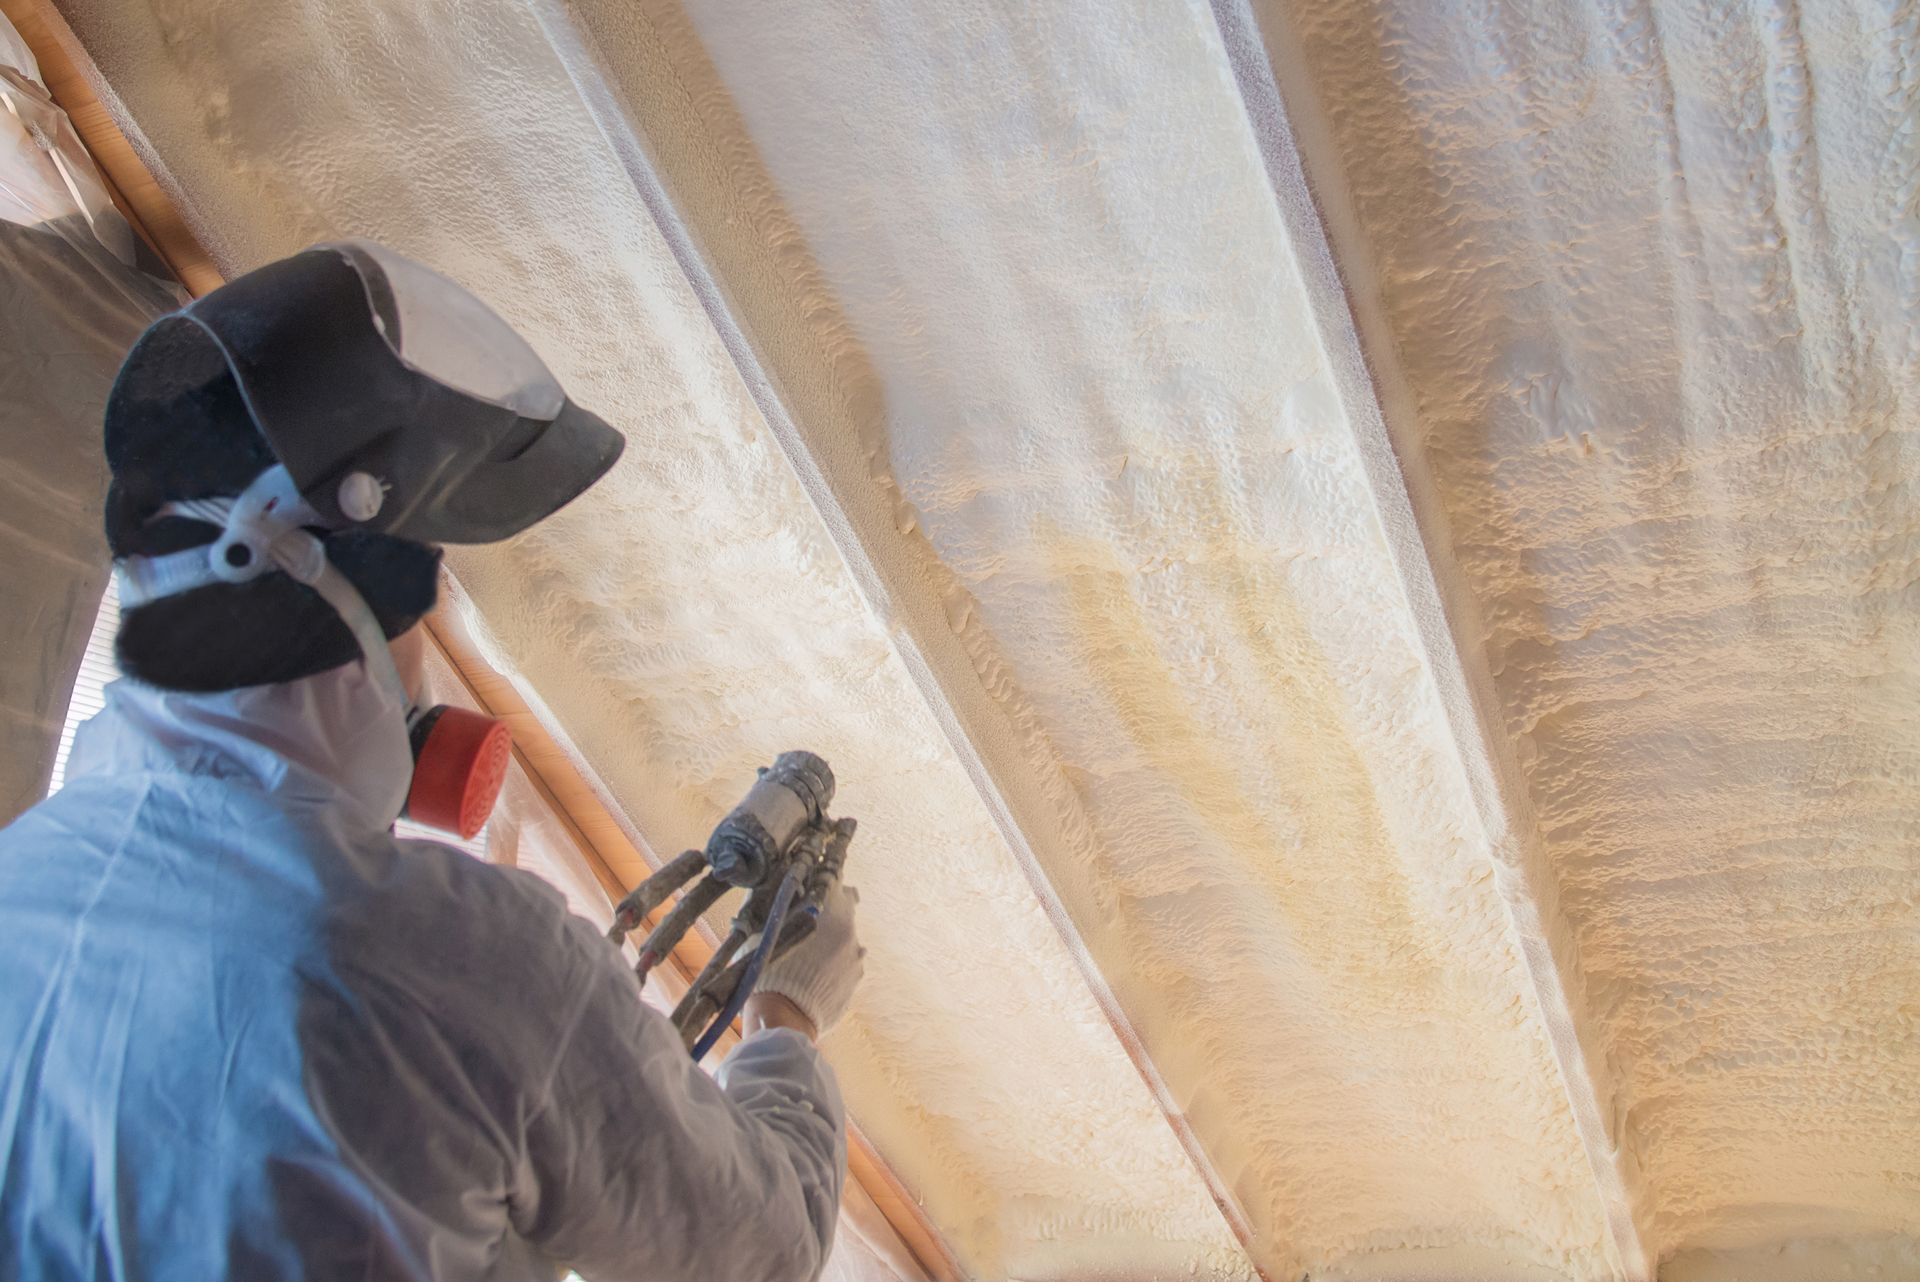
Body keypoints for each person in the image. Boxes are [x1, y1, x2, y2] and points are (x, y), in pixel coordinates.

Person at [0, 242, 865, 1281]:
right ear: (342, 598)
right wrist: (786, 1022)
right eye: (424, 599)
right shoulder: (465, 957)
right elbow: (755, 1246)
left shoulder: (27, 876)